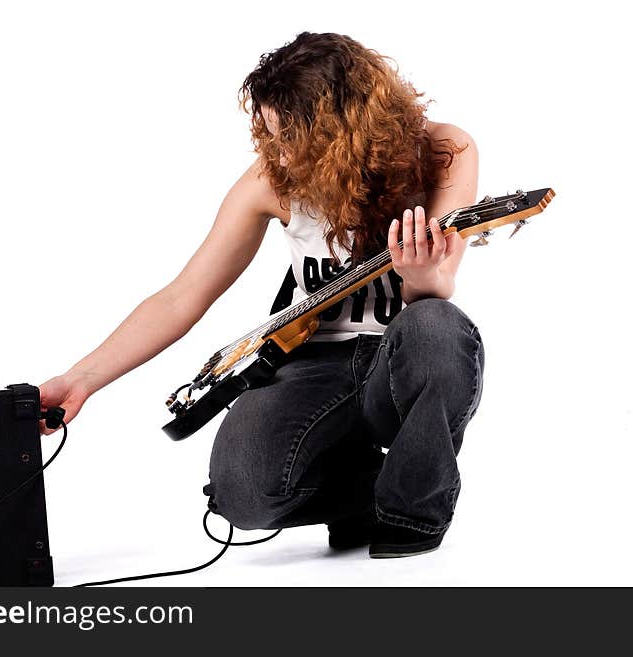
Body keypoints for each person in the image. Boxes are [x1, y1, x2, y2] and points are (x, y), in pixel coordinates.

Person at [39, 32, 484, 559]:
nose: (279, 152)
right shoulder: (271, 182)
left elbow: (438, 288)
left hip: (401, 356)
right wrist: (81, 380)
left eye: (292, 136)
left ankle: (414, 509)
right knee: (243, 495)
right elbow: (182, 297)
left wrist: (419, 275)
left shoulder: (442, 151)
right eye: (270, 134)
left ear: (348, 128)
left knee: (435, 328)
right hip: (316, 359)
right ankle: (365, 495)